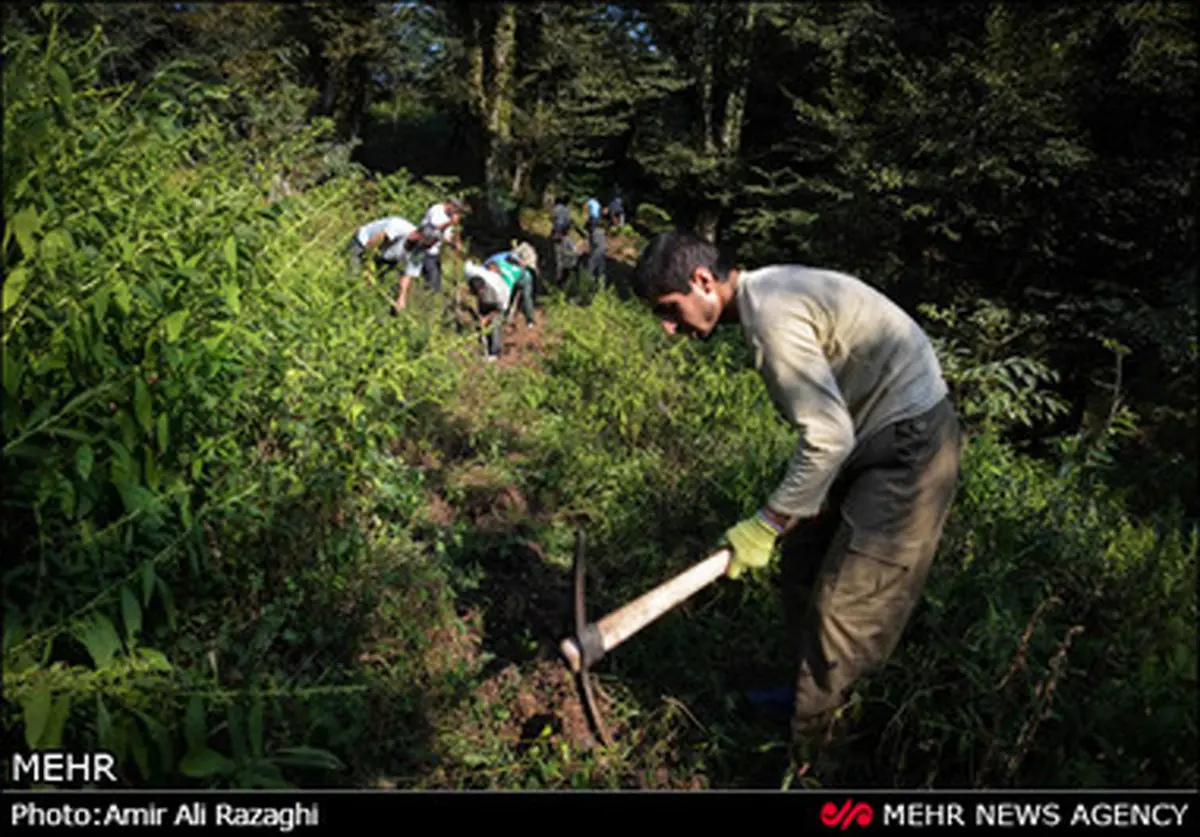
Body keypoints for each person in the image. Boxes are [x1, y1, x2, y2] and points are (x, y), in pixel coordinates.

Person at [630, 231, 963, 772]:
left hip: (911, 448)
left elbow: (826, 437)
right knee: (803, 563)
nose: (670, 329)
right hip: (869, 434)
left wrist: (765, 524)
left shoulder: (771, 317)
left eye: (670, 310)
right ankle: (803, 699)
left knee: (846, 610)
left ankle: (816, 763)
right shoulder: (768, 291)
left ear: (702, 282)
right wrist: (789, 521)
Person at [463, 241, 538, 362]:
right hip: (492, 282)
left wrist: (487, 318)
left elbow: (500, 309)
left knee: (498, 318)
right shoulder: (475, 272)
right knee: (484, 308)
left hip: (517, 282)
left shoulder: (503, 290)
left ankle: (495, 351)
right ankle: (485, 342)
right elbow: (469, 267)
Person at [347, 215, 429, 311]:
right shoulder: (398, 226)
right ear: (418, 234)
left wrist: (401, 297)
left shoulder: (421, 250)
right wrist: (367, 269)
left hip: (383, 258)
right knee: (353, 277)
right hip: (363, 245)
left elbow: (408, 275)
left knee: (374, 291)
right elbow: (371, 244)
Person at [418, 197, 467, 293]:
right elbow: (434, 228)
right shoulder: (437, 210)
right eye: (455, 208)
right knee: (433, 279)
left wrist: (454, 244)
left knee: (436, 278)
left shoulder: (449, 216)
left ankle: (428, 295)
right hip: (424, 246)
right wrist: (450, 222)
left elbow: (446, 236)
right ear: (449, 204)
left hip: (434, 250)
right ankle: (428, 296)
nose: (456, 211)